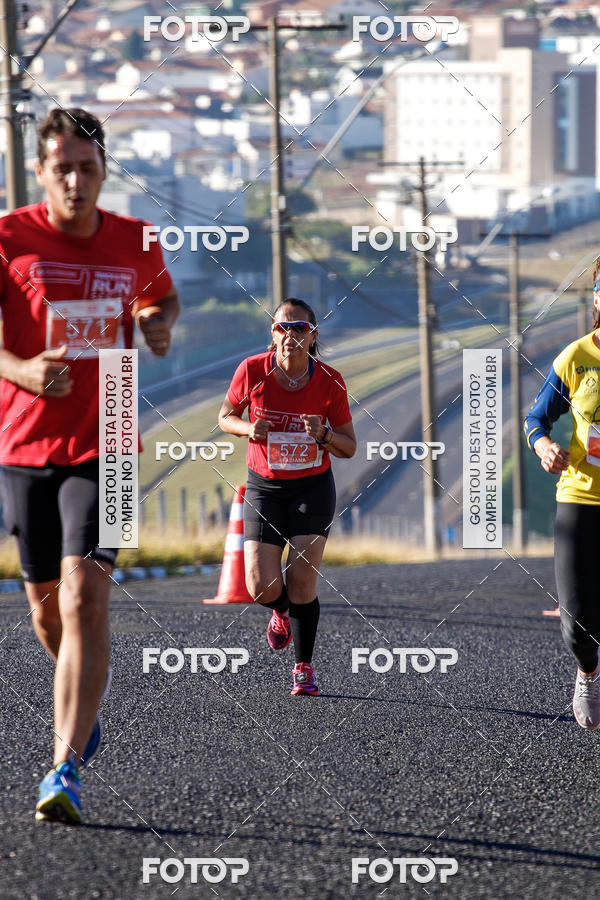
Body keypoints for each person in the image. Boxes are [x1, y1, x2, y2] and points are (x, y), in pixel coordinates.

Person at [0, 107, 180, 823]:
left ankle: (63, 769)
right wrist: (21, 370)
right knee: (48, 612)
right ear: (41, 171)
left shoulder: (139, 238)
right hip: (24, 445)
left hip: (113, 437)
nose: (76, 180)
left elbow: (161, 297)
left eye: (88, 168)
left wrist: (158, 324)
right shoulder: (9, 237)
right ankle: (82, 690)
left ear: (105, 172)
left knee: (85, 600)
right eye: (62, 168)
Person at [218, 298, 356, 696]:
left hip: (312, 486)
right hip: (265, 486)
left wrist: (324, 435)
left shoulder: (330, 380)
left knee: (300, 579)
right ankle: (280, 612)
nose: (290, 335)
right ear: (273, 334)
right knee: (260, 585)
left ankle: (303, 667)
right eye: (283, 327)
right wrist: (249, 430)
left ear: (313, 337)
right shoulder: (252, 370)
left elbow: (349, 447)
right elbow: (225, 416)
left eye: (299, 328)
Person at [524, 264, 600, 729]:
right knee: (576, 621)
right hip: (581, 498)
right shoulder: (576, 357)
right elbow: (535, 419)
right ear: (597, 299)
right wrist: (544, 446)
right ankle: (589, 670)